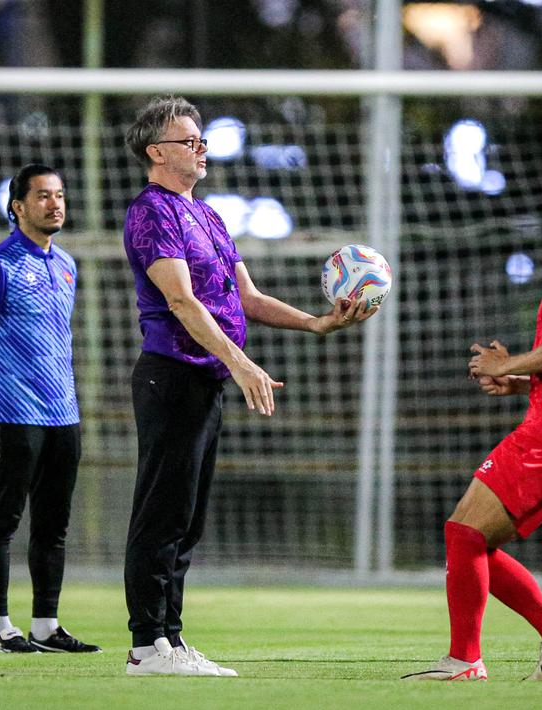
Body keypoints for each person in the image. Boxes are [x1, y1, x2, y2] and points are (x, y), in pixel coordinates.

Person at [119, 95, 376, 677]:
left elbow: (248, 299)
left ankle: (171, 641)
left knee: (187, 517)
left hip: (203, 381)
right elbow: (181, 301)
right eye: (190, 141)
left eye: (202, 140)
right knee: (161, 513)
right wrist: (240, 362)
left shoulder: (207, 216)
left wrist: (317, 322)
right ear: (158, 151)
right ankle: (144, 646)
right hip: (171, 376)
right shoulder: (151, 212)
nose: (202, 149)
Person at [401, 173, 542, 682]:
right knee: (473, 540)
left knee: (462, 530)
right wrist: (526, 381)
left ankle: (467, 660)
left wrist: (501, 368)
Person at [0, 164, 101, 655]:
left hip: (64, 415)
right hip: (15, 416)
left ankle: (45, 627)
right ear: (18, 206)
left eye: (60, 194)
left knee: (53, 526)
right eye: (42, 196)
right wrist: (2, 391)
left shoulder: (67, 264)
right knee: (3, 522)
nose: (54, 204)